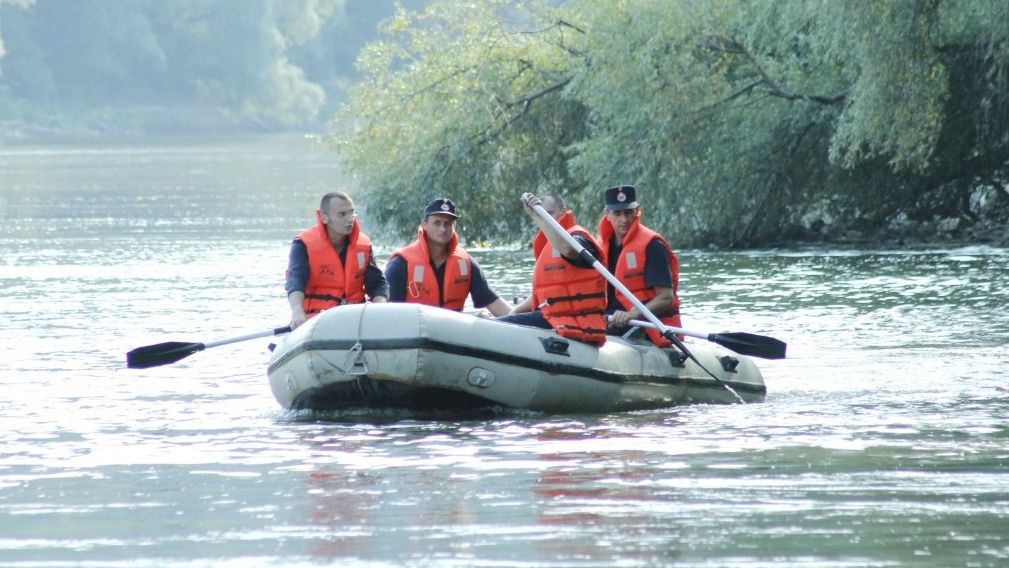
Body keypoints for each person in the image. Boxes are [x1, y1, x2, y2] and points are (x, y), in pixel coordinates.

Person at [497, 193, 607, 345]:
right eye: (543, 215)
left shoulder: (580, 238)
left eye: (549, 214)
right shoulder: (548, 244)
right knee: (502, 322)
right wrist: (514, 312)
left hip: (576, 319)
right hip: (554, 316)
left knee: (504, 324)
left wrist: (538, 217)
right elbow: (544, 294)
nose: (546, 218)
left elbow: (568, 250)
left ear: (563, 211)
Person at [385, 198, 511, 316]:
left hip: (453, 332)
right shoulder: (400, 264)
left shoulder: (466, 263)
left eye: (447, 224)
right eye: (437, 223)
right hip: (412, 330)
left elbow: (493, 303)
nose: (443, 229)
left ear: (453, 227)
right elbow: (387, 311)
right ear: (424, 225)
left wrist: (519, 318)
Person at [285, 191, 388, 329]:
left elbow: (377, 284)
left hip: (355, 318)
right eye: (342, 214)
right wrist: (297, 311)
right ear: (324, 218)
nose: (350, 219)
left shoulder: (363, 245)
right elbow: (295, 281)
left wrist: (379, 305)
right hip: (317, 320)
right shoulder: (303, 244)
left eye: (352, 213)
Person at [597, 185, 681, 346]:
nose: (624, 219)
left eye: (628, 212)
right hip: (609, 320)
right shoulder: (600, 248)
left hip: (645, 325)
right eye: (617, 213)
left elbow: (665, 298)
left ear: (637, 211)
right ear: (607, 215)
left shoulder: (652, 245)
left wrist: (631, 314)